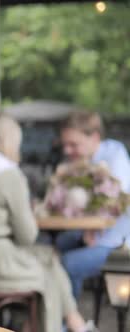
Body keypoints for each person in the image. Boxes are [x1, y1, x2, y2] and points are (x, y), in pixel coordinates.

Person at [0, 110, 94, 332]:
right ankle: (65, 327)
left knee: (49, 259)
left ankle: (74, 324)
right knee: (50, 270)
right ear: (11, 139)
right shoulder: (8, 174)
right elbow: (28, 236)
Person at [56, 111, 130, 299]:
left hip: (119, 244)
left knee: (66, 264)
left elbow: (114, 202)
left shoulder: (114, 156)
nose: (67, 150)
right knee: (50, 248)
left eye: (73, 144)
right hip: (93, 236)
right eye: (65, 145)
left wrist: (91, 227)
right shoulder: (82, 160)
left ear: (94, 137)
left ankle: (65, 325)